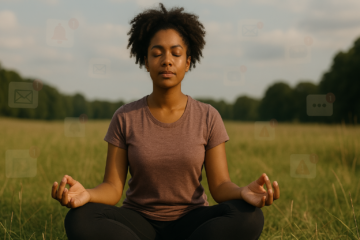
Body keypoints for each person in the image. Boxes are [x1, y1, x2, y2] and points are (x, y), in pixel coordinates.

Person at [51, 3, 280, 240]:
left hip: (193, 223)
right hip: (138, 223)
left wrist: (243, 192)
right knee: (79, 218)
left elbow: (221, 187)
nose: (167, 60)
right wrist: (86, 194)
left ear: (188, 62)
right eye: (157, 53)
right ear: (146, 61)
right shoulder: (124, 117)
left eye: (176, 53)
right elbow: (112, 189)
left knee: (250, 216)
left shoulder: (208, 116)